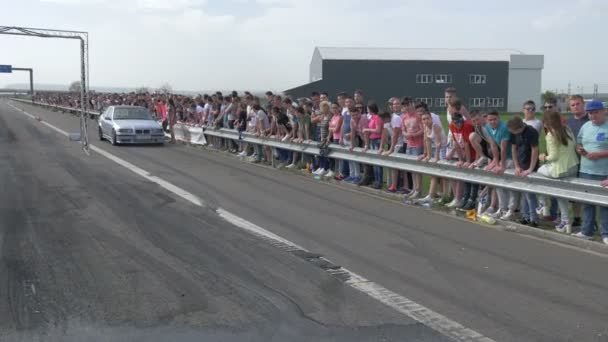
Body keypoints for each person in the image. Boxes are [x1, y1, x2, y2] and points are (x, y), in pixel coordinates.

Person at [538, 110, 580, 233]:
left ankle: (543, 204)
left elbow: (554, 157)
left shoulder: (550, 134)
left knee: (537, 173)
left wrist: (543, 157)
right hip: (573, 166)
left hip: (560, 169)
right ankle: (565, 222)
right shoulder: (567, 129)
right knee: (561, 195)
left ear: (545, 122)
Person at [573, 100, 608, 244]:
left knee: (605, 205)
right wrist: (580, 149)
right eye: (590, 113)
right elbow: (579, 143)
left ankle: (606, 233)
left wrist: (599, 154)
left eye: (595, 113)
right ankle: (587, 231)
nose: (593, 116)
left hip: (604, 172)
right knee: (587, 203)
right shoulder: (585, 126)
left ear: (604, 111)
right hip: (585, 170)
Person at [483, 111, 519, 220]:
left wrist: (502, 165)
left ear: (499, 118)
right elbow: (493, 145)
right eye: (490, 120)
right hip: (502, 158)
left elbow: (503, 148)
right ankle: (502, 208)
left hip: (511, 157)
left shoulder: (504, 128)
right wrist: (495, 161)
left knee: (510, 183)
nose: (492, 122)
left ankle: (511, 210)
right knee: (498, 181)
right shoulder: (488, 127)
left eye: (495, 119)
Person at [508, 116, 540, 227]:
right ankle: (525, 216)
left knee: (530, 194)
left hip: (530, 165)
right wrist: (516, 165)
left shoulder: (531, 132)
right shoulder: (513, 132)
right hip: (520, 164)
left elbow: (535, 150)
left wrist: (531, 168)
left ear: (519, 128)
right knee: (524, 192)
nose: (513, 133)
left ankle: (534, 218)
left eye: (514, 132)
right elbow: (513, 148)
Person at [564, 95, 589, 228]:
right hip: (573, 162)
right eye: (572, 105)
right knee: (574, 193)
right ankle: (577, 218)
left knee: (589, 193)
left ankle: (590, 222)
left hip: (589, 162)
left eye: (578, 104)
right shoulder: (568, 123)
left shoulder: (591, 119)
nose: (575, 107)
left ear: (583, 104)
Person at [416, 108, 447, 204]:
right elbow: (427, 141)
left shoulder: (435, 126)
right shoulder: (425, 127)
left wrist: (437, 157)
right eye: (423, 119)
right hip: (436, 149)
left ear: (431, 118)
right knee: (435, 172)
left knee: (442, 173)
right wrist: (428, 156)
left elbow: (439, 143)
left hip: (443, 149)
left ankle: (441, 195)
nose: (425, 121)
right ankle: (433, 195)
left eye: (427, 118)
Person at [447, 113, 477, 210]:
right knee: (466, 177)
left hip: (474, 153)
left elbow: (467, 144)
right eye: (456, 123)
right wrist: (460, 159)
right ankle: (465, 197)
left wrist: (467, 161)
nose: (458, 125)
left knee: (473, 177)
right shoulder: (452, 125)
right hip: (465, 153)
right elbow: (456, 143)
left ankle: (472, 199)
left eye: (460, 122)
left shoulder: (467, 126)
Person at [401, 97, 424, 199]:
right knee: (412, 168)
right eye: (405, 105)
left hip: (418, 145)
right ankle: (414, 188)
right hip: (409, 144)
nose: (407, 107)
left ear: (412, 104)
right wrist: (406, 134)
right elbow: (403, 130)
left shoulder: (418, 116)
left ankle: (418, 190)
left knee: (417, 168)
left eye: (408, 104)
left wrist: (415, 135)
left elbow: (423, 130)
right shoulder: (404, 117)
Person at [381, 97, 405, 192]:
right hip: (394, 144)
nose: (393, 106)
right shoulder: (389, 118)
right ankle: (392, 184)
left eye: (395, 104)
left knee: (395, 166)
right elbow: (384, 133)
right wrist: (381, 147)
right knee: (392, 165)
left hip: (400, 144)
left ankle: (395, 186)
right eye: (391, 104)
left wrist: (391, 149)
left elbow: (395, 135)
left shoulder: (395, 119)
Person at [363, 103, 384, 189]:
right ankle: (376, 181)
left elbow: (378, 130)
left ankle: (379, 181)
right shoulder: (371, 118)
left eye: (368, 108)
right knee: (374, 162)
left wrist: (367, 129)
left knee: (378, 162)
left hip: (377, 140)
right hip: (372, 140)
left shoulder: (377, 117)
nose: (367, 109)